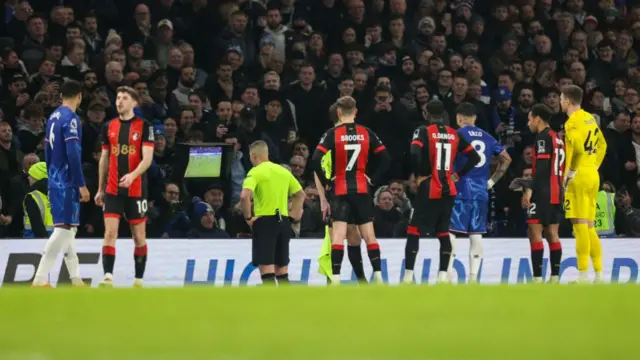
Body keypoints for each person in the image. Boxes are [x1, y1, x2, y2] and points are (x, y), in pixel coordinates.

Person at [311, 96, 391, 285]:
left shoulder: (333, 133)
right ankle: (378, 277)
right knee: (369, 235)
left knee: (338, 235)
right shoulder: (366, 132)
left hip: (340, 189)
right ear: (355, 112)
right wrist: (374, 180)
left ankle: (336, 278)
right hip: (362, 189)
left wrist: (326, 182)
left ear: (338, 112)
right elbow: (386, 158)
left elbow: (315, 159)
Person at [403, 99, 480, 284]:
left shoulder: (423, 131)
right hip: (448, 188)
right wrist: (457, 175)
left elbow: (414, 152)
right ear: (444, 115)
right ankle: (442, 276)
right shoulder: (455, 134)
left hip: (429, 186)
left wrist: (420, 174)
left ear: (426, 114)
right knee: (443, 231)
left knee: (414, 230)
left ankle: (407, 277)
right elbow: (474, 157)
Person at [95, 86, 155, 288]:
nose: (119, 101)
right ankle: (108, 277)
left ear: (134, 102)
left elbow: (147, 159)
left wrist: (133, 175)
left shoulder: (144, 127)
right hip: (112, 189)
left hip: (136, 190)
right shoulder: (108, 127)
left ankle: (138, 279)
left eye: (124, 98)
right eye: (118, 97)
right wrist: (100, 188)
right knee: (110, 233)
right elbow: (104, 158)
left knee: (139, 236)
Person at [33, 80, 89, 287]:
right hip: (67, 181)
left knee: (68, 229)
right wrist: (80, 183)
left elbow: (47, 150)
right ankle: (39, 279)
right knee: (64, 229)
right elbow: (73, 153)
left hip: (55, 177)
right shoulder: (71, 119)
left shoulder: (53, 117)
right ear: (79, 96)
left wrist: (51, 175)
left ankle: (76, 279)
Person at [449, 102, 511, 283]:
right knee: (475, 234)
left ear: (459, 118)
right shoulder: (488, 137)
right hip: (480, 191)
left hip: (460, 188)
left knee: (451, 232)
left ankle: (447, 273)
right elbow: (506, 158)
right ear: (475, 118)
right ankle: (473, 278)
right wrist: (491, 182)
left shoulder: (456, 134)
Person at [315, 103, 368, 285]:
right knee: (335, 235)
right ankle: (333, 281)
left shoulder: (350, 137)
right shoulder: (332, 137)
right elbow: (318, 169)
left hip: (350, 190)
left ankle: (361, 280)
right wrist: (323, 199)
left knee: (353, 235)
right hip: (335, 192)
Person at [240, 140, 305, 285]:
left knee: (267, 271)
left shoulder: (255, 172)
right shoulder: (283, 171)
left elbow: (244, 196)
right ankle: (287, 306)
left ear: (254, 156)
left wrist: (248, 218)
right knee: (282, 273)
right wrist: (294, 215)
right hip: (284, 222)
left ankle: (270, 306)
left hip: (265, 222)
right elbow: (300, 194)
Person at [561, 85, 607, 283]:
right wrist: (594, 165)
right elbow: (603, 144)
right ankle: (598, 274)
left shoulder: (572, 122)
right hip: (592, 175)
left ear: (568, 101)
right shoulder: (589, 118)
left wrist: (570, 173)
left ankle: (582, 276)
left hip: (578, 177)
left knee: (579, 227)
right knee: (589, 227)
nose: (561, 102)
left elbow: (578, 148)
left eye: (562, 99)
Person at [521, 104, 565, 284]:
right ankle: (554, 278)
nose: (528, 122)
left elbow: (541, 168)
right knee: (553, 234)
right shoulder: (558, 138)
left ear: (538, 118)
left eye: (530, 118)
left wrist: (528, 191)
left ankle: (537, 278)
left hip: (543, 192)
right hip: (557, 191)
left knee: (535, 233)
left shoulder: (542, 138)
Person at [23, 162, 53, 238]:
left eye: (31, 175)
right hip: (57, 237)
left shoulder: (32, 196)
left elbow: (36, 223)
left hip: (34, 239)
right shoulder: (59, 194)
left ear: (37, 177)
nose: (28, 178)